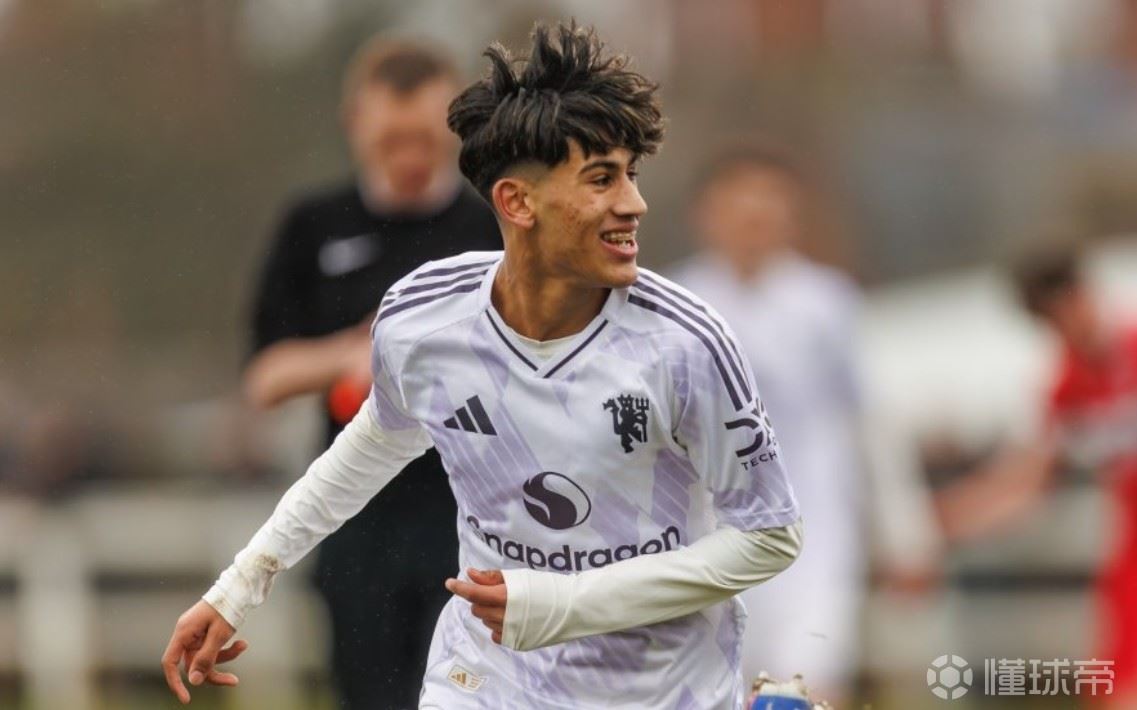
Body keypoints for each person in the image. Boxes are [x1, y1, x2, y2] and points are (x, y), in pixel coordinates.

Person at [163, 22, 802, 709]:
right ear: (516, 202)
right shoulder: (423, 319)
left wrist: (563, 603)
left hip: (659, 689)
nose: (633, 203)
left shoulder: (686, 343)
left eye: (631, 175)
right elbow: (364, 453)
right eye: (601, 178)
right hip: (488, 678)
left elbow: (770, 536)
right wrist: (238, 587)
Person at [240, 37, 501, 709]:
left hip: (472, 510)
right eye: (391, 140)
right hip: (358, 515)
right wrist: (358, 353)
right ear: (355, 124)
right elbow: (266, 375)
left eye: (425, 139)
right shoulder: (314, 226)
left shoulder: (495, 226)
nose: (409, 157)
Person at [671, 148, 863, 705]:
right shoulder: (676, 304)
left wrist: (905, 534)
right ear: (706, 214)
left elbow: (864, 421)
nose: (753, 220)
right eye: (739, 206)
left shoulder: (826, 304)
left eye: (768, 206)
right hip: (704, 534)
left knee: (806, 683)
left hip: (812, 532)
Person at [936, 246, 1137, 707]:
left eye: (1068, 309)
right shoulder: (1067, 387)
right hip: (1132, 552)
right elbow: (1025, 481)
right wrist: (937, 524)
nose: (1066, 328)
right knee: (1115, 688)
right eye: (1051, 322)